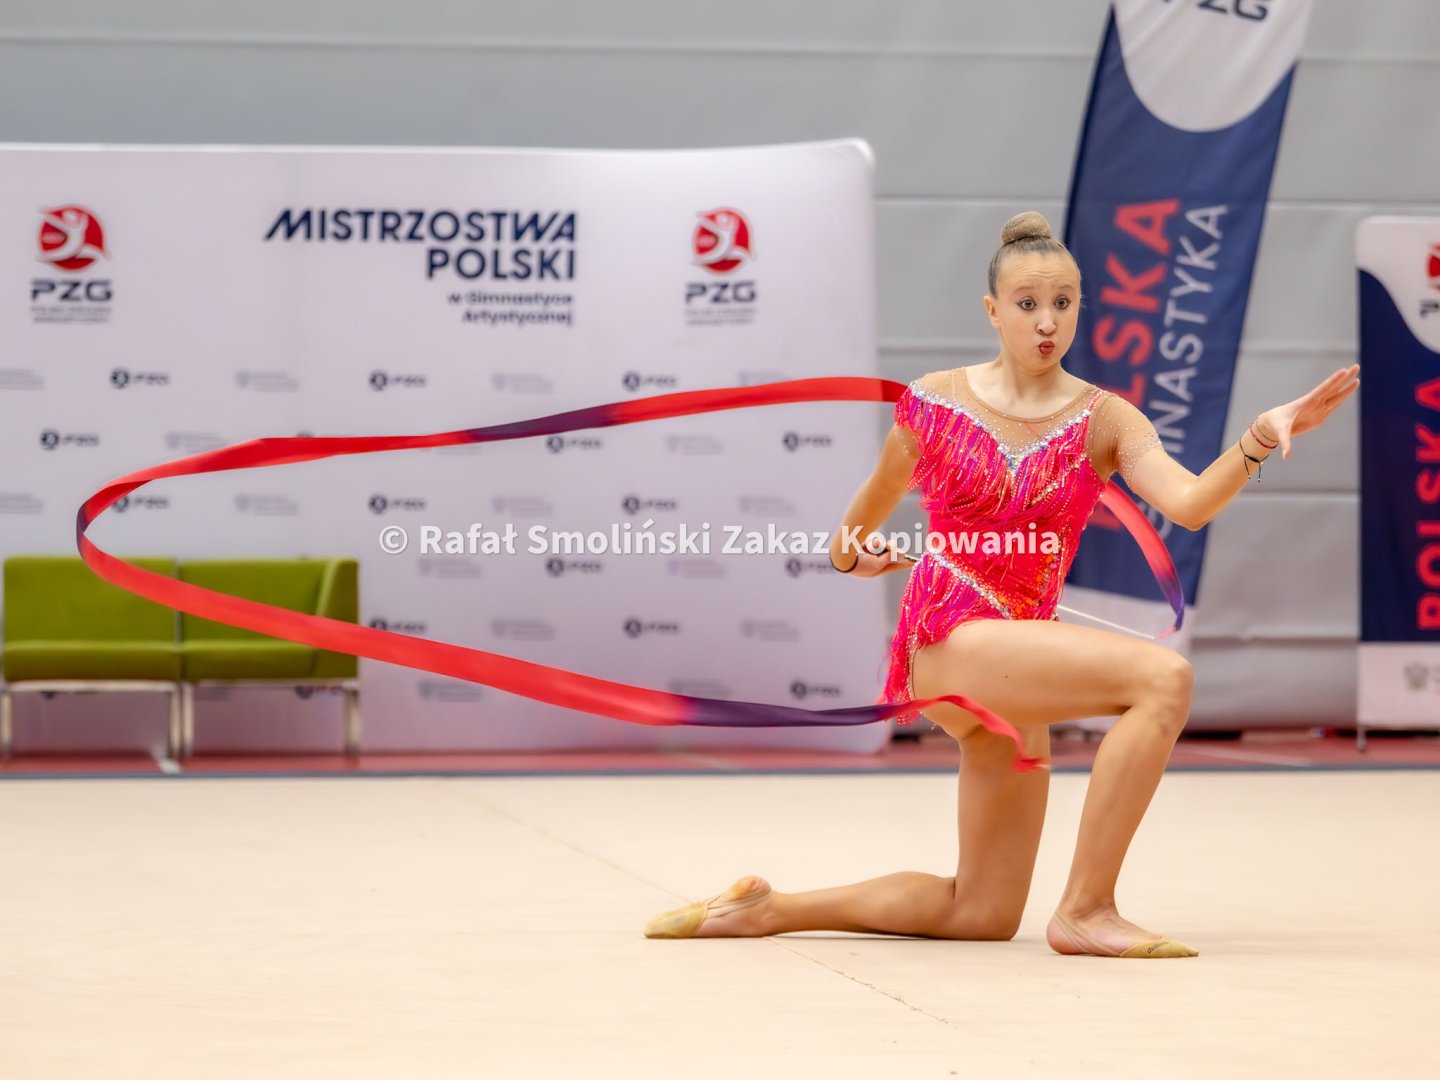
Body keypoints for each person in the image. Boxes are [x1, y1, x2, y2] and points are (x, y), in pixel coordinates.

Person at [643, 211, 1359, 957]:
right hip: (948, 637)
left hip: (1016, 656)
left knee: (980, 912)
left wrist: (1259, 437)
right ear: (993, 310)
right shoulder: (934, 403)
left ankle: (768, 909)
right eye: (1027, 304)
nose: (1047, 322)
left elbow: (1189, 504)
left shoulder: (1105, 419)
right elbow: (847, 541)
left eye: (1063, 303)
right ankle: (1087, 909)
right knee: (1163, 679)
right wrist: (864, 554)